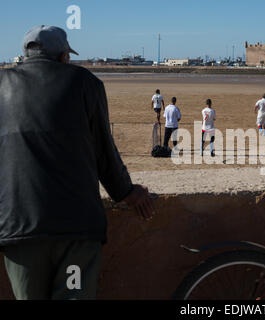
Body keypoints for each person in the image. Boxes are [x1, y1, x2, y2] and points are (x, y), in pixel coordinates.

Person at [0, 26, 154, 300]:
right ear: (62, 57)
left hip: (19, 228)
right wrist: (127, 192)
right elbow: (104, 151)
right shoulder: (85, 83)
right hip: (76, 230)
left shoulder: (2, 86)